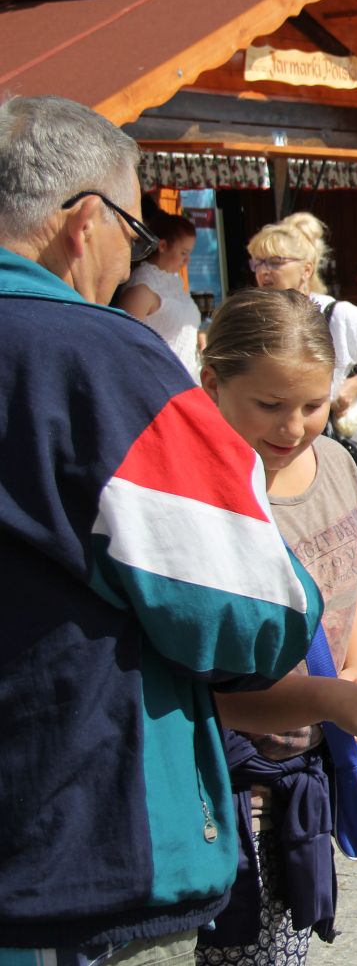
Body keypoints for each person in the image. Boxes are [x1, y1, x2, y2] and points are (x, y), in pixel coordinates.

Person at [0, 95, 318, 964]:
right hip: (67, 836)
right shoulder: (94, 355)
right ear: (84, 222)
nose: (127, 259)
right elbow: (242, 606)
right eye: (133, 233)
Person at [196, 288, 357, 965]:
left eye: (312, 404)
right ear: (213, 382)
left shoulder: (336, 461)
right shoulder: (205, 497)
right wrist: (338, 698)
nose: (294, 425)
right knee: (246, 946)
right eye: (269, 405)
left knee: (286, 941)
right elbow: (207, 685)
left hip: (314, 753)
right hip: (235, 777)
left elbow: (346, 583)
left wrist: (355, 669)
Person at [249, 219, 357, 646]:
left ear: (306, 268)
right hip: (280, 476)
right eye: (256, 261)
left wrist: (355, 385)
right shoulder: (254, 318)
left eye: (275, 261)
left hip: (347, 471)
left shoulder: (337, 315)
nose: (264, 271)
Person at [116, 211, 201, 373]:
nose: (187, 260)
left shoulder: (174, 282)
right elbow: (126, 347)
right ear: (162, 246)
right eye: (183, 253)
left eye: (189, 253)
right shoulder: (142, 286)